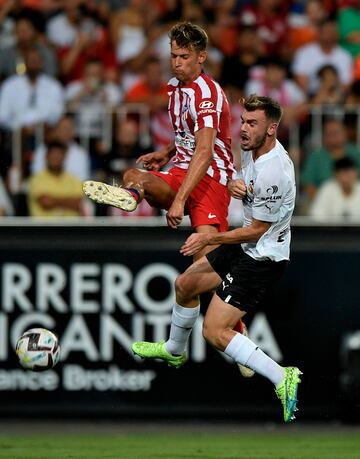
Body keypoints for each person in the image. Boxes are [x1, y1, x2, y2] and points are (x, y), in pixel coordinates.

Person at [132, 95, 302, 423]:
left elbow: (256, 232)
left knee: (213, 331)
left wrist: (210, 236)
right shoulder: (255, 153)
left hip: (263, 257)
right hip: (248, 245)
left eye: (252, 123)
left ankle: (283, 377)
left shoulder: (274, 170)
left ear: (272, 129)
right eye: (243, 121)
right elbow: (200, 139)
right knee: (185, 284)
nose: (243, 129)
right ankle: (173, 350)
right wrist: (239, 186)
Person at [83, 21, 237, 260]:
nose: (177, 62)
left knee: (204, 269)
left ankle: (226, 286)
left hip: (210, 180)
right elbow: (189, 133)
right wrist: (167, 151)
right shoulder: (175, 87)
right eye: (173, 56)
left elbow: (205, 152)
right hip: (182, 173)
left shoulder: (207, 94)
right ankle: (131, 197)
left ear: (201, 57)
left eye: (184, 56)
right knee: (133, 176)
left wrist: (179, 200)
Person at [301, 118, 360, 200]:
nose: (332, 136)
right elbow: (307, 184)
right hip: (321, 201)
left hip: (354, 200)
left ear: (345, 133)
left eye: (336, 132)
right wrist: (325, 201)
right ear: (324, 136)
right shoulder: (316, 156)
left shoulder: (356, 154)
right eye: (328, 133)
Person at [28, 141, 83, 217]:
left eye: (58, 155)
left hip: (71, 227)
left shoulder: (74, 179)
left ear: (64, 157)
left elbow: (79, 204)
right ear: (46, 157)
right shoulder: (37, 179)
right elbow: (45, 202)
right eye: (53, 155)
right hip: (45, 227)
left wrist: (53, 200)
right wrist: (69, 201)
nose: (56, 158)